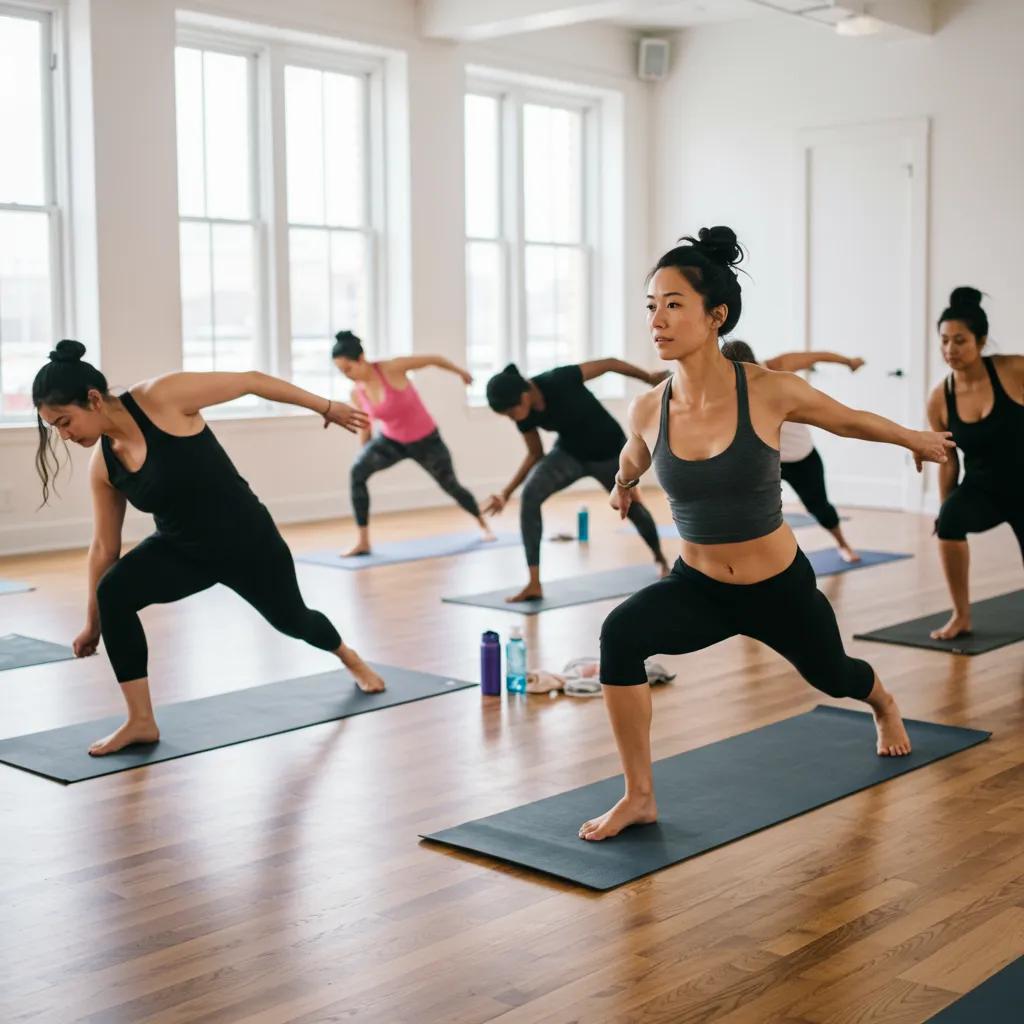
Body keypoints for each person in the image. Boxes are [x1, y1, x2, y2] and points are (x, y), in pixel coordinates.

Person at [579, 227, 955, 842]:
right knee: (619, 637)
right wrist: (622, 485)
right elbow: (633, 456)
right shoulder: (650, 406)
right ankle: (639, 796)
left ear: (715, 315)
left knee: (833, 675)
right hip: (698, 586)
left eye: (674, 303)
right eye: (652, 305)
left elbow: (849, 420)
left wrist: (913, 438)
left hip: (777, 586)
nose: (658, 319)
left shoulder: (768, 390)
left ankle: (882, 700)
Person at [32, 340, 384, 757]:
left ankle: (348, 655)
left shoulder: (160, 398)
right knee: (113, 592)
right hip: (182, 551)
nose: (63, 435)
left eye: (64, 421)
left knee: (294, 621)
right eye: (54, 427)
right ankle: (141, 720)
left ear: (92, 399)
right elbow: (103, 548)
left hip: (248, 542)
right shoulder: (104, 465)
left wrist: (325, 406)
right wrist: (93, 623)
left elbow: (250, 382)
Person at [484, 358, 668, 602]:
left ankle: (660, 558)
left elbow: (610, 364)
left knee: (632, 508)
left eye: (510, 411)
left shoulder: (559, 379)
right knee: (530, 495)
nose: (511, 418)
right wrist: (506, 493)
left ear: (524, 395)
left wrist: (649, 377)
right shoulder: (524, 417)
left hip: (609, 452)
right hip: (570, 454)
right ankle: (534, 583)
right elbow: (535, 454)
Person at [331, 330, 492, 556]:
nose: (346, 375)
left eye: (348, 369)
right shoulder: (357, 392)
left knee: (451, 486)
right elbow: (366, 425)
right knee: (357, 471)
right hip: (392, 442)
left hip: (427, 440)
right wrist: (365, 454)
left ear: (361, 358)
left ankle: (484, 525)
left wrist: (461, 373)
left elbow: (433, 359)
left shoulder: (392, 368)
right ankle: (363, 540)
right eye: (341, 371)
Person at [925, 288, 1024, 640]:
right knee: (951, 519)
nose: (950, 349)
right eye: (945, 340)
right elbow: (948, 460)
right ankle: (961, 615)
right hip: (984, 489)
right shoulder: (940, 397)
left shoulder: (1014, 370)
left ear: (981, 342)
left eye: (960, 341)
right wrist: (943, 506)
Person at [720, 340, 863, 562]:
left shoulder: (777, 368)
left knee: (820, 508)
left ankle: (842, 544)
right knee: (749, 510)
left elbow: (815, 355)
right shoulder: (723, 385)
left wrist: (848, 362)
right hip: (764, 461)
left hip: (800, 457)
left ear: (754, 364)